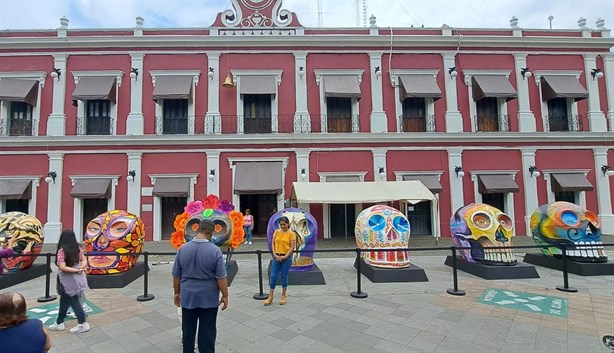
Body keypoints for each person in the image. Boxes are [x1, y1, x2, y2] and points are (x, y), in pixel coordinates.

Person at [173, 219, 229, 353]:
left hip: (188, 297)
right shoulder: (215, 251)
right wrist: (225, 295)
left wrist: (177, 293)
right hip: (208, 298)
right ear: (211, 233)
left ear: (198, 230)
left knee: (188, 331)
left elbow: (176, 276)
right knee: (207, 332)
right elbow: (221, 278)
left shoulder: (183, 249)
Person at [48, 230, 90, 334]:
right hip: (76, 279)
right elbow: (84, 259)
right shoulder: (78, 248)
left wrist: (76, 270)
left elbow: (62, 267)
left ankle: (83, 324)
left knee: (74, 301)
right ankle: (59, 322)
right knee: (64, 300)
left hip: (67, 280)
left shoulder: (62, 251)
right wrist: (81, 267)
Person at [264, 216, 296, 306]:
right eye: (281, 225)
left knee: (284, 276)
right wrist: (274, 254)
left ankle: (283, 295)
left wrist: (286, 256)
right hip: (276, 256)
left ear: (288, 224)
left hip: (286, 257)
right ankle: (270, 296)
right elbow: (273, 244)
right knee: (273, 276)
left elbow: (292, 246)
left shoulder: (291, 234)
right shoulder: (276, 232)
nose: (283, 226)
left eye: (284, 224)